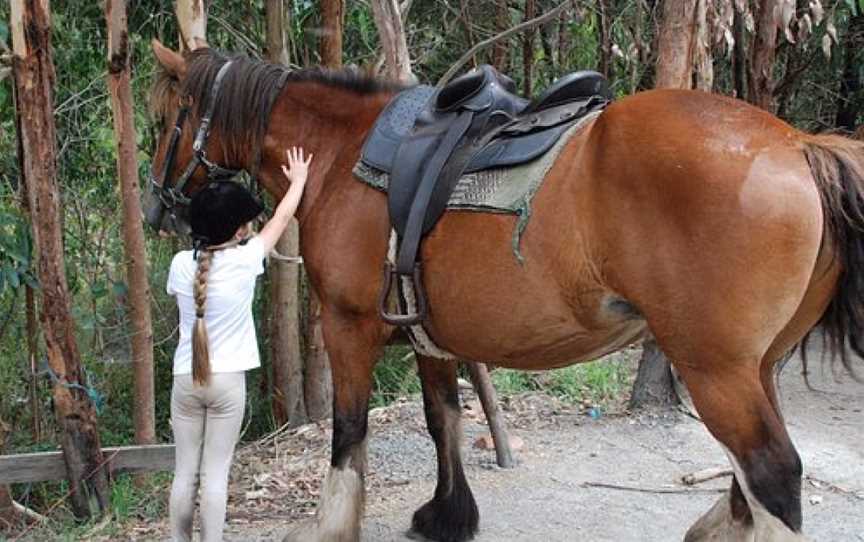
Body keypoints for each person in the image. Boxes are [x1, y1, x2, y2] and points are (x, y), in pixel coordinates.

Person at [167, 147, 312, 542]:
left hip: (185, 379)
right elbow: (282, 218)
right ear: (238, 231)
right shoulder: (247, 261)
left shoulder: (181, 265)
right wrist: (297, 180)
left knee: (185, 472)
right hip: (228, 383)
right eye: (246, 223)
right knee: (216, 474)